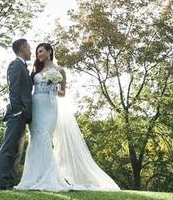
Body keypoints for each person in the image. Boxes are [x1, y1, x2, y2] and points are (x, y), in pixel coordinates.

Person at [14, 43, 119, 192]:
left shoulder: (60, 70)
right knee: (35, 139)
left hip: (49, 107)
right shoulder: (35, 70)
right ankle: (33, 178)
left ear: (49, 52)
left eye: (41, 51)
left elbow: (63, 93)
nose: (38, 55)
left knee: (45, 138)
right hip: (36, 105)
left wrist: (53, 86)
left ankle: (48, 178)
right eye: (37, 52)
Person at [0, 38, 33, 190]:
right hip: (16, 114)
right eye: (29, 47)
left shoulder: (24, 67)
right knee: (8, 148)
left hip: (22, 114)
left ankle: (9, 181)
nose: (31, 50)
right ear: (23, 48)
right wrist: (18, 110)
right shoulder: (15, 65)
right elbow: (13, 89)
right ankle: (1, 182)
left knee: (16, 149)